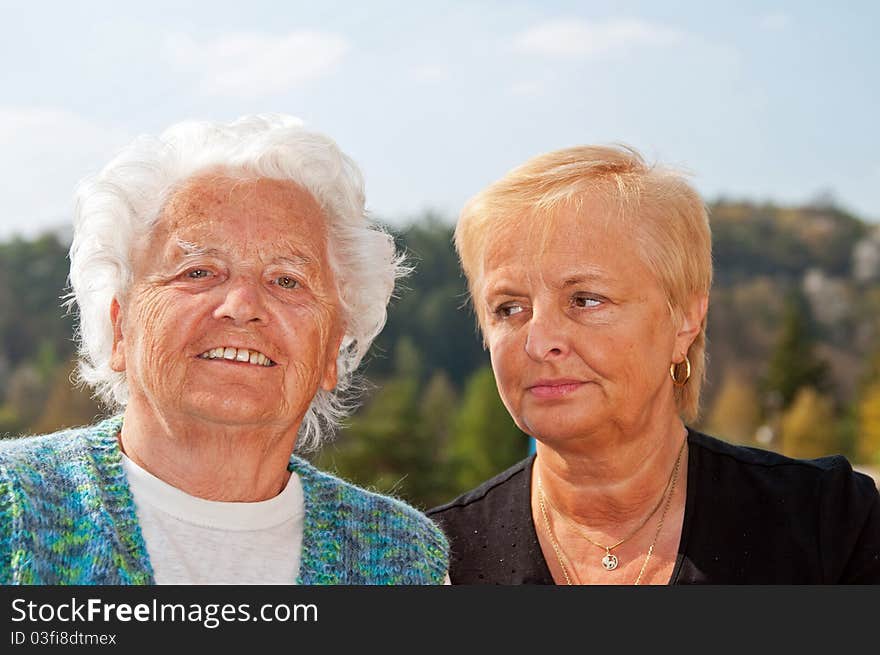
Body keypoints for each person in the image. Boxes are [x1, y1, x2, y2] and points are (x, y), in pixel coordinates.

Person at [0, 114, 448, 585]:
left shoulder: (404, 558)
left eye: (286, 281)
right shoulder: (14, 505)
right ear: (120, 329)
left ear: (334, 349)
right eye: (199, 271)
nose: (242, 306)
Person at [427, 145, 880, 584]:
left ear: (684, 319)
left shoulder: (830, 524)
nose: (539, 341)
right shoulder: (432, 562)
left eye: (585, 300)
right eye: (509, 308)